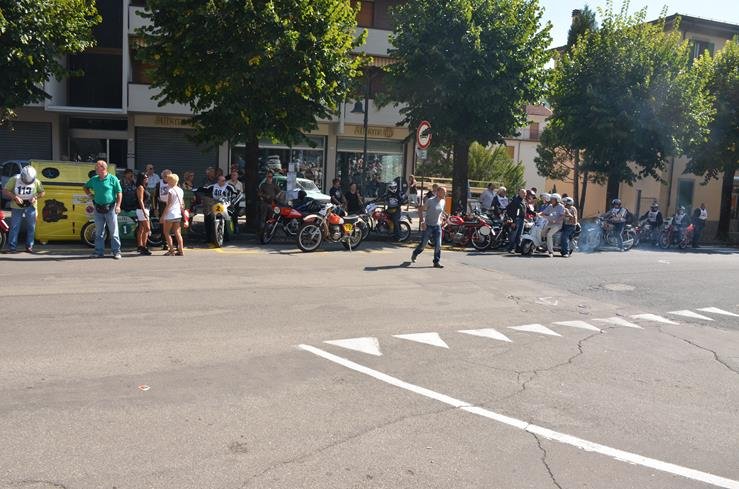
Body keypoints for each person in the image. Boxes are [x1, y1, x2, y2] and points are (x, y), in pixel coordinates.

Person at [84, 160, 123, 259]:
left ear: (103, 168)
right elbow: (85, 187)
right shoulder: (94, 179)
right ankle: (98, 252)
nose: (95, 169)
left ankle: (116, 252)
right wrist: (90, 194)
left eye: (97, 167)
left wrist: (118, 206)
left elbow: (119, 193)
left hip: (111, 208)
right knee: (99, 232)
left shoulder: (113, 179)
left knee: (114, 232)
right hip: (98, 208)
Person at [2, 166, 45, 253]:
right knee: (14, 227)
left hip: (31, 206)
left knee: (31, 227)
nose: (27, 183)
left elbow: (42, 192)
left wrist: (35, 197)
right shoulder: (14, 179)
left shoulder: (36, 181)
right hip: (16, 205)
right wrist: (15, 197)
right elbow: (5, 190)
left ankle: (29, 246)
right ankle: (12, 247)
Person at [412, 186, 446, 268]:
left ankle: (436, 262)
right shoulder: (430, 201)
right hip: (428, 225)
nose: (444, 194)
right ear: (438, 192)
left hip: (437, 226)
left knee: (438, 244)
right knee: (423, 245)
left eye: (445, 192)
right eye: (443, 192)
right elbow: (420, 210)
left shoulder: (443, 201)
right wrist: (422, 222)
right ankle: (415, 253)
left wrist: (442, 219)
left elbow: (441, 212)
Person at [201, 174, 240, 241]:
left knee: (230, 216)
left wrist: (233, 201)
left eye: (224, 180)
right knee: (208, 217)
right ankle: (208, 237)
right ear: (218, 181)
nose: (224, 182)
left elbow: (236, 193)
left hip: (226, 205)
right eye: (222, 180)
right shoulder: (213, 186)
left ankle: (228, 235)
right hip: (215, 204)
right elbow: (205, 190)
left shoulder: (229, 187)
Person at [160, 173, 185, 255]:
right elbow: (182, 203)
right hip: (178, 214)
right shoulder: (180, 190)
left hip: (170, 214)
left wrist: (163, 216)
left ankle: (171, 249)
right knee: (177, 233)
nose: (167, 181)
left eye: (168, 180)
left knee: (166, 232)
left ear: (171, 181)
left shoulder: (170, 191)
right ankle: (181, 249)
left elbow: (169, 204)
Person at [135, 172, 152, 255]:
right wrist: (144, 211)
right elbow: (140, 200)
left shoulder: (144, 187)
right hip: (142, 210)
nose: (147, 179)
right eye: (145, 177)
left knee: (141, 229)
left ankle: (140, 246)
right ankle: (144, 247)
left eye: (147, 177)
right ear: (141, 179)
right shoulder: (140, 187)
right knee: (147, 228)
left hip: (144, 209)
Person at [506, 189, 527, 253]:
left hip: (522, 219)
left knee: (519, 235)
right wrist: (513, 221)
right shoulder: (515, 201)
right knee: (513, 235)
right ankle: (511, 248)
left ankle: (517, 248)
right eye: (523, 193)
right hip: (516, 219)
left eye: (525, 193)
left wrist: (535, 214)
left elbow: (526, 210)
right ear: (519, 193)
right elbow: (510, 210)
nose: (525, 194)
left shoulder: (523, 201)